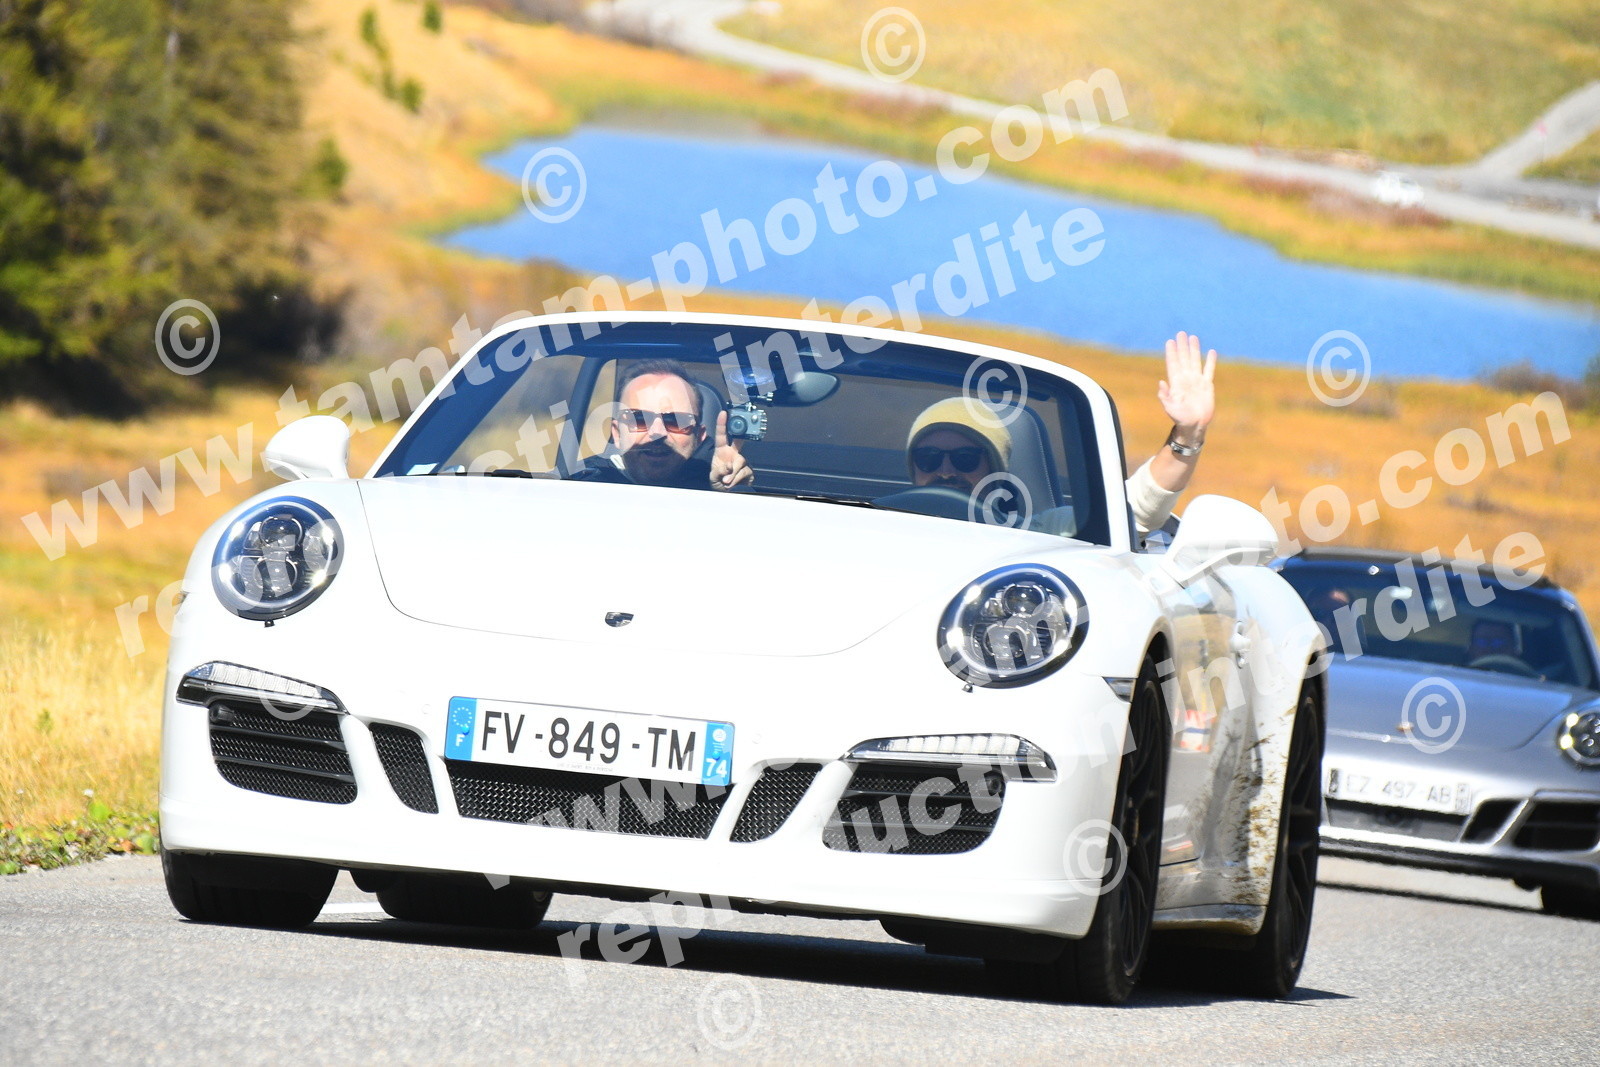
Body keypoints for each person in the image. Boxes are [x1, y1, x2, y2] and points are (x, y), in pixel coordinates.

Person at [906, 331, 1217, 535]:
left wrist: (1187, 434)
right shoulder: (877, 523)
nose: (945, 471)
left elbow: (1133, 511)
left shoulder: (1040, 532)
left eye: (965, 458)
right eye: (928, 458)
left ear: (995, 469)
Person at [569, 359, 753, 490]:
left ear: (699, 436)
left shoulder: (712, 483)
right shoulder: (578, 489)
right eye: (640, 419)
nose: (657, 432)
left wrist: (731, 492)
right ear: (617, 433)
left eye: (677, 421)